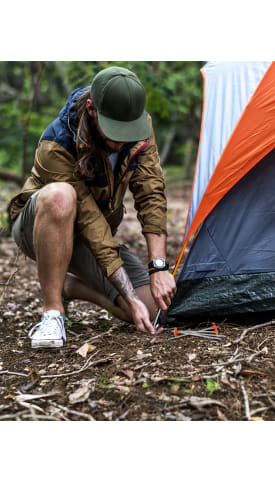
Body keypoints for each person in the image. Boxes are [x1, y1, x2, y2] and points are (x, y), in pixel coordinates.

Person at [8, 66, 177, 348]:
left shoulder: (140, 127)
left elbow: (151, 193)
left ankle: (69, 286)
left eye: (128, 130)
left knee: (154, 311)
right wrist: (128, 296)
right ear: (91, 109)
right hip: (40, 226)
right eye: (114, 131)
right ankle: (52, 312)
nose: (121, 140)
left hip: (87, 239)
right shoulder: (57, 144)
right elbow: (89, 221)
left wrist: (158, 268)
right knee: (61, 196)